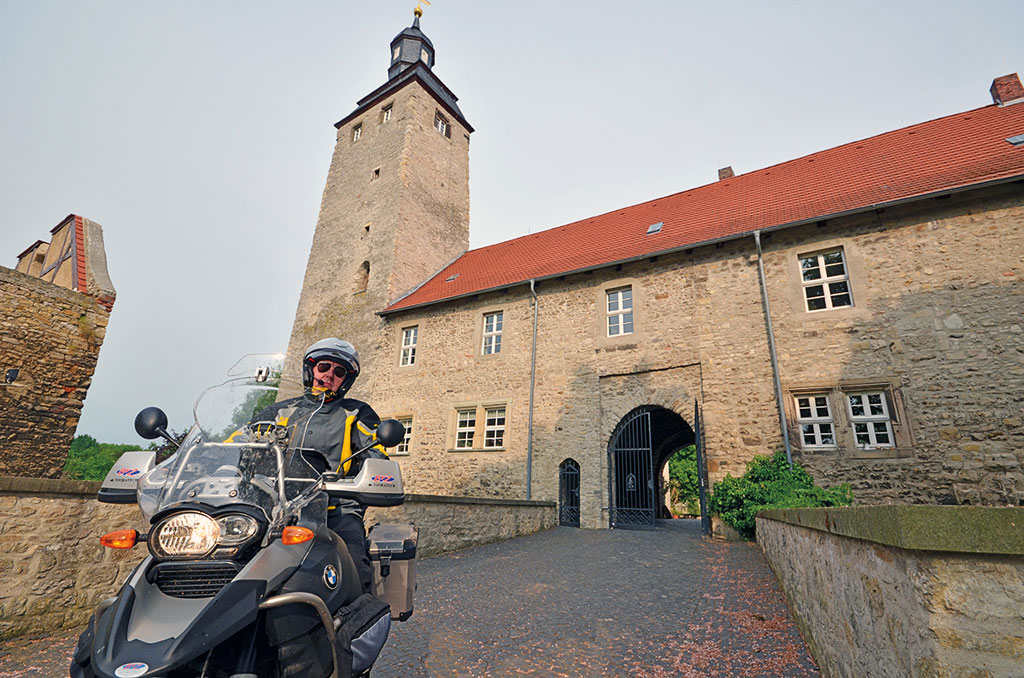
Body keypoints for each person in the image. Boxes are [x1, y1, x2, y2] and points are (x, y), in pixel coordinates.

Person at [251, 337, 386, 593]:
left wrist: (375, 475)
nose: (329, 375)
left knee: (354, 563)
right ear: (310, 369)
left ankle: (357, 624)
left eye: (339, 372)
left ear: (345, 380)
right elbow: (236, 443)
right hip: (274, 507)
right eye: (324, 367)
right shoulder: (278, 412)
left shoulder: (357, 413)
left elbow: (376, 451)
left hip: (335, 509)